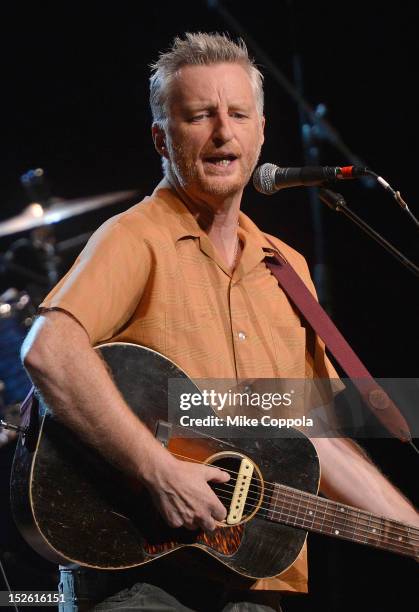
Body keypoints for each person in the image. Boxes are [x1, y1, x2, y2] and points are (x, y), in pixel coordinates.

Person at [21, 33, 418, 611]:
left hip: (253, 580)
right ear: (162, 137)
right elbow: (48, 351)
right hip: (141, 577)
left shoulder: (286, 268)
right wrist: (156, 468)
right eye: (199, 115)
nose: (222, 132)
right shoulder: (136, 238)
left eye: (237, 114)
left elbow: (314, 436)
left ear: (261, 132)